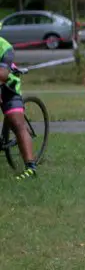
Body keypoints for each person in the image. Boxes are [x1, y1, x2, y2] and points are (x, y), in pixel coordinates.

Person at [0, 36, 36, 180]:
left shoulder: (5, 47)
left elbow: (2, 75)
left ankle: (31, 167)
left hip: (8, 87)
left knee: (16, 123)